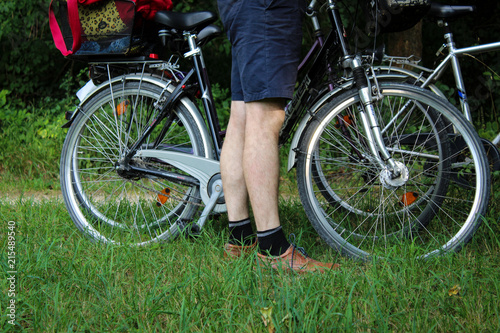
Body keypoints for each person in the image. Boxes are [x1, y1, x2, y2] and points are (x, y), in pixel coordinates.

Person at [217, 0, 339, 273]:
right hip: (265, 7)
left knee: (242, 117)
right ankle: (273, 249)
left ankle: (240, 240)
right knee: (265, 116)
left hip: (243, 7)